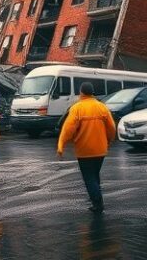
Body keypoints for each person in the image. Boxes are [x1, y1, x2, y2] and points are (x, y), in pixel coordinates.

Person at [57, 82, 116, 213]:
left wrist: (61, 145)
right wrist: (109, 140)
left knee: (89, 178)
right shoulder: (102, 107)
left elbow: (68, 129)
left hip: (84, 151)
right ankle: (96, 199)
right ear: (92, 93)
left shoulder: (77, 108)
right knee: (94, 175)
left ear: (81, 92)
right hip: (101, 150)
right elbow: (111, 127)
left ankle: (98, 203)